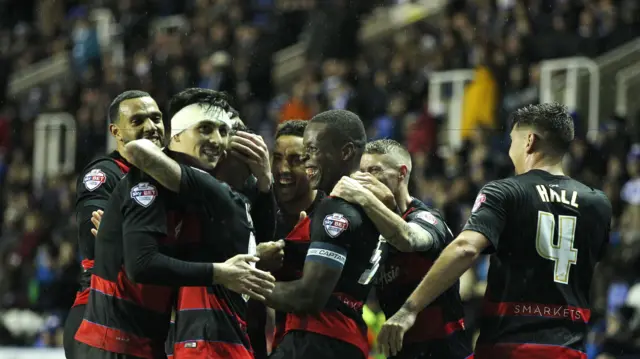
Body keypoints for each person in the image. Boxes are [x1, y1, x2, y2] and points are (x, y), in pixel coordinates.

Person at [378, 103, 612, 359]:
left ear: (529, 141)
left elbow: (465, 248)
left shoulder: (505, 192)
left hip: (510, 348)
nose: (510, 150)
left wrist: (409, 309)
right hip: (570, 349)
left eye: (512, 140)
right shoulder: (598, 203)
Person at [74, 89, 277, 359]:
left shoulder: (213, 198)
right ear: (177, 133)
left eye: (224, 131)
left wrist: (265, 184)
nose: (218, 141)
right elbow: (142, 264)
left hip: (155, 343)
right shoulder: (147, 180)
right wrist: (220, 272)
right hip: (113, 343)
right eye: (205, 129)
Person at [331, 139, 472, 359]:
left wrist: (362, 197)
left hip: (444, 349)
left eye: (375, 170)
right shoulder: (367, 230)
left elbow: (406, 237)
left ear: (401, 173)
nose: (365, 179)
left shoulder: (425, 218)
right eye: (362, 171)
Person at [265, 109, 386, 359]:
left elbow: (309, 295)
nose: (307, 161)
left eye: (313, 151)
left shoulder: (334, 209)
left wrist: (241, 281)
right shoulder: (375, 208)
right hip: (348, 342)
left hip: (316, 343)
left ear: (345, 152)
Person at [62, 90, 164, 359]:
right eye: (138, 120)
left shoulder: (170, 177)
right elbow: (97, 240)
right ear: (116, 132)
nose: (152, 127)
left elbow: (124, 241)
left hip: (149, 322)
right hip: (101, 317)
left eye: (157, 118)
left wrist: (129, 232)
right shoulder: (104, 174)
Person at [247, 120, 325, 359]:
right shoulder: (258, 214)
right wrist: (254, 261)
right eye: (277, 157)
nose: (283, 169)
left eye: (295, 159)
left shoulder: (332, 215)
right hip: (268, 347)